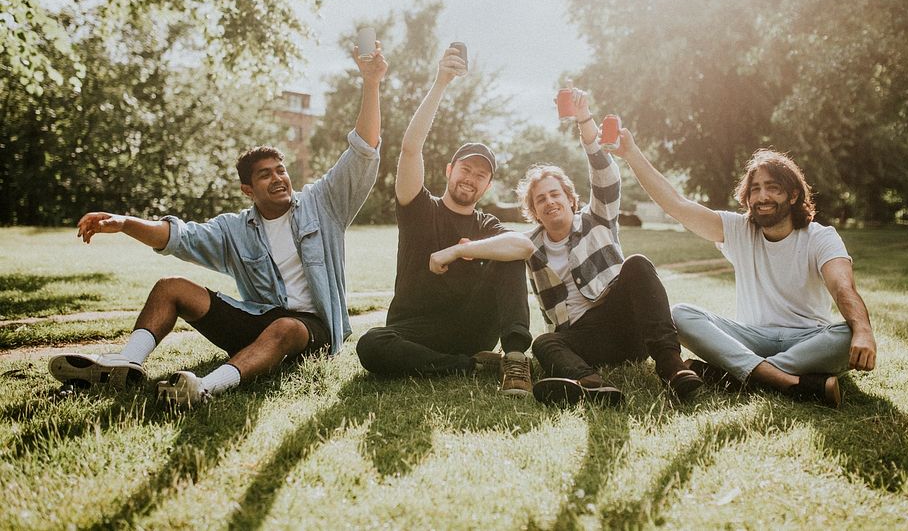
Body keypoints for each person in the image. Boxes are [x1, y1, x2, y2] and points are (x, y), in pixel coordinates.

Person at [48, 42, 387, 407]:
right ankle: (126, 365)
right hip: (258, 320)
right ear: (247, 190)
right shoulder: (235, 229)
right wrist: (124, 222)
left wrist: (371, 83)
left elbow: (363, 151)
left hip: (312, 330)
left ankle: (205, 387)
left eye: (281, 170)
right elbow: (178, 237)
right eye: (264, 176)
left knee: (285, 326)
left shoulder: (323, 204)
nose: (278, 179)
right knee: (170, 287)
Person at [429, 86, 703, 406]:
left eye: (555, 194)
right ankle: (591, 385)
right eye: (540, 199)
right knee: (545, 343)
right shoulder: (531, 243)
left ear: (570, 198)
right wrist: (460, 249)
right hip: (583, 339)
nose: (549, 202)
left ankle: (671, 366)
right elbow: (509, 244)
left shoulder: (597, 219)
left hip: (626, 322)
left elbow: (605, 176)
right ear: (534, 211)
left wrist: (584, 120)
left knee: (638, 263)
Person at [615, 131, 877, 408]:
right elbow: (677, 205)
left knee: (848, 334)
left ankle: (729, 375)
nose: (763, 196)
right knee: (680, 315)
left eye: (773, 187)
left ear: (793, 195)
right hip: (749, 338)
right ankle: (782, 379)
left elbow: (842, 287)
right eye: (755, 188)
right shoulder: (738, 229)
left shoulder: (821, 237)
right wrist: (631, 152)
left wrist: (863, 331)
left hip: (807, 340)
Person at [354, 45, 533, 396]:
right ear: (450, 170)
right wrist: (441, 82)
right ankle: (470, 365)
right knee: (371, 345)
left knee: (510, 256)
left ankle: (514, 359)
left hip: (471, 327)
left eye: (481, 174)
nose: (471, 178)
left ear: (488, 184)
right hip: (413, 328)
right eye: (466, 168)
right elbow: (410, 148)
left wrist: (453, 251)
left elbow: (524, 245)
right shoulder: (419, 207)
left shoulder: (486, 224)